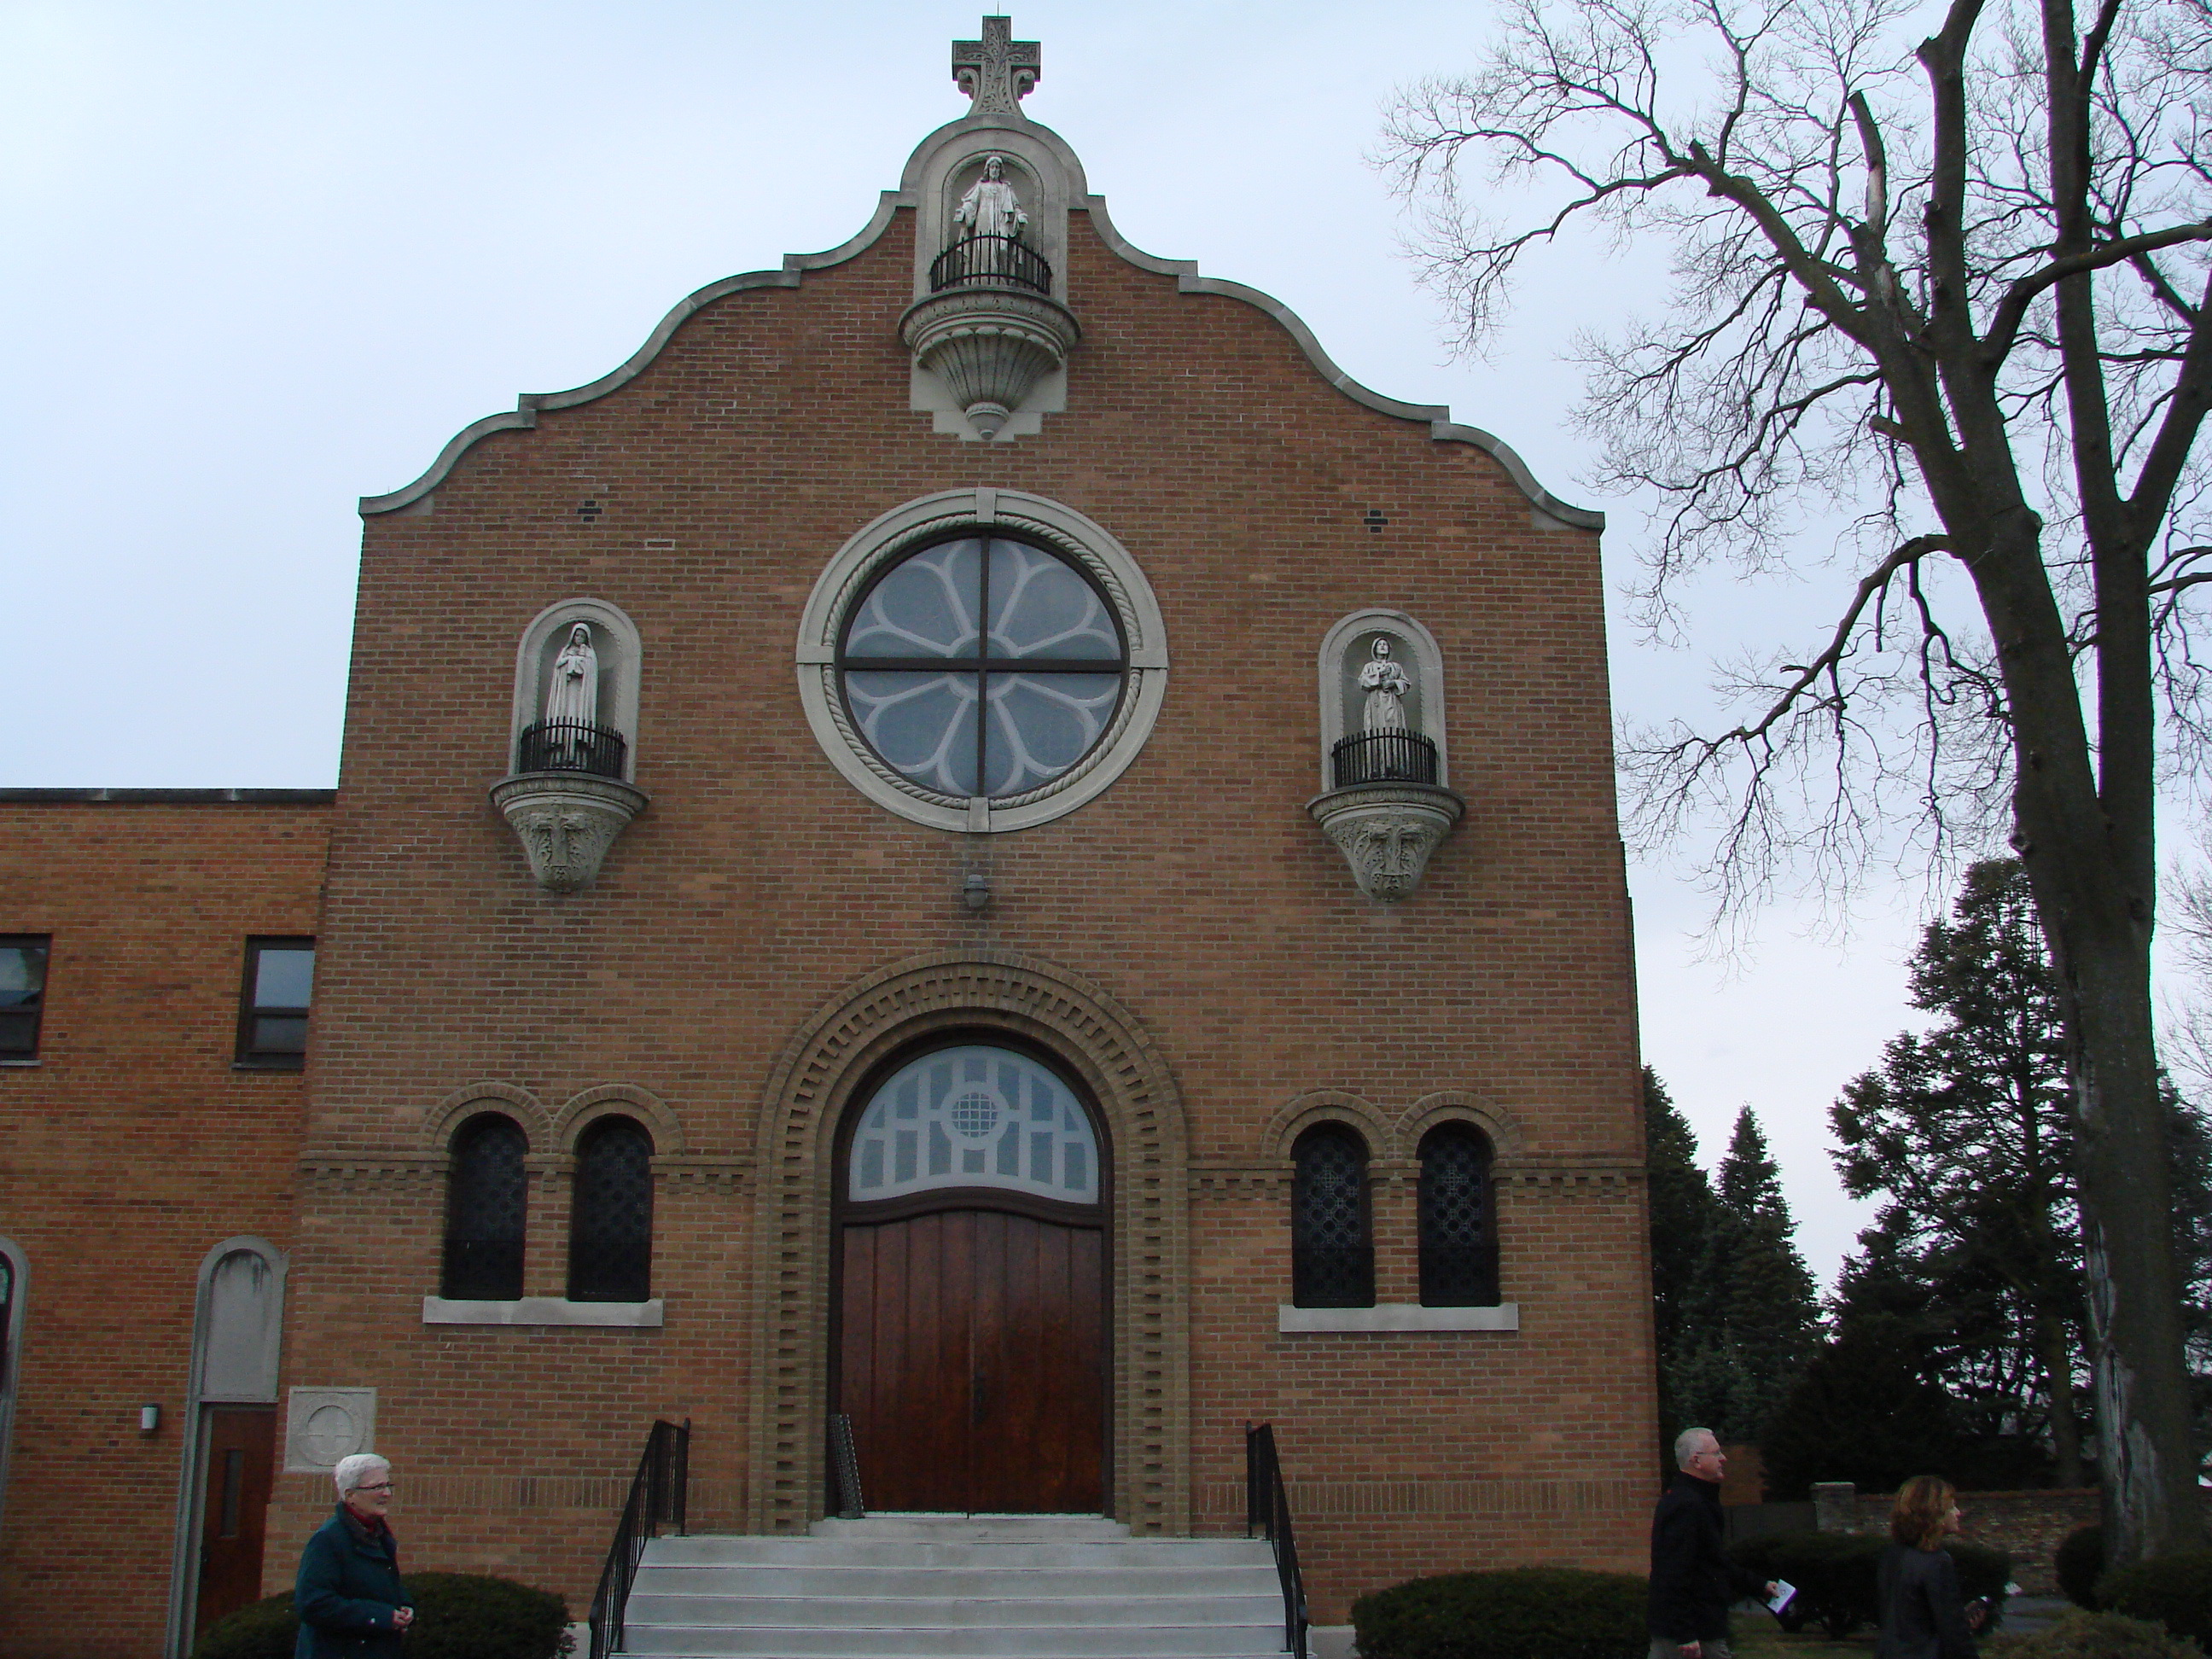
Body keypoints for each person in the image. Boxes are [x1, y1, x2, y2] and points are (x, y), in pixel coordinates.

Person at [1650, 1428, 1778, 1659]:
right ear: (1696, 1460)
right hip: (1695, 1634)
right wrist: (1685, 1633)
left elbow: (1712, 1561)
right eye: (1716, 1453)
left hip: (1690, 1630)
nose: (1723, 1458)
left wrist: (1759, 1585)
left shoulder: (1694, 1500)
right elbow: (1673, 1572)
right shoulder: (1688, 1505)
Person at [294, 1452, 414, 1658]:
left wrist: (404, 1607)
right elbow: (313, 1604)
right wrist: (380, 1617)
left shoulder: (379, 1536)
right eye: (377, 1487)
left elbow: (383, 1587)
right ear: (350, 1495)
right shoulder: (328, 1540)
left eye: (387, 1486)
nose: (386, 1494)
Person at [1877, 1476, 1983, 1659]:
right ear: (1934, 1513)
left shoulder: (1892, 1555)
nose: (1958, 1513)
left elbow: (1904, 1615)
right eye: (1951, 1507)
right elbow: (1952, 1631)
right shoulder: (1937, 1561)